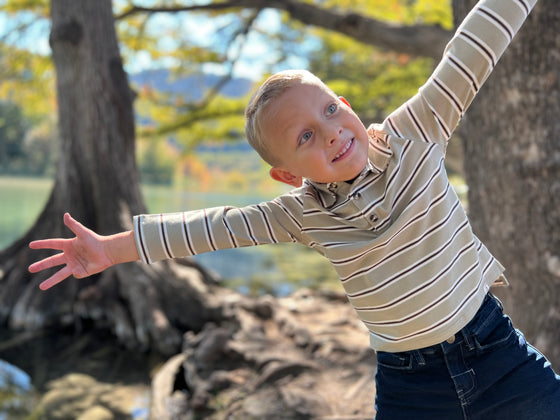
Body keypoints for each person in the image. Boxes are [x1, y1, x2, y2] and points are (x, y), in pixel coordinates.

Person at [29, 0, 560, 418]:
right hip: (410, 385)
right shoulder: (301, 213)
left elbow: (473, 48)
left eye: (331, 109)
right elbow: (210, 229)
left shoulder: (415, 134)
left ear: (346, 105)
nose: (331, 132)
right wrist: (110, 249)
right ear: (287, 174)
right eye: (306, 136)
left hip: (497, 355)